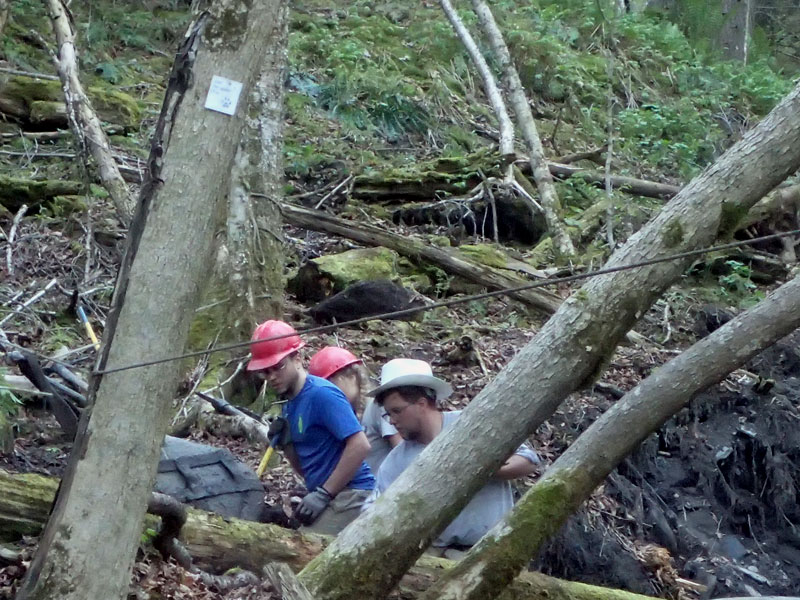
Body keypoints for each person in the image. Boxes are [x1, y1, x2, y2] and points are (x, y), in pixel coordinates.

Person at [365, 358, 539, 557]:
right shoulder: (394, 462)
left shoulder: (471, 425)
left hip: (497, 549)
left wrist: (485, 469)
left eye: (396, 411)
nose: (392, 421)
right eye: (388, 414)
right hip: (437, 556)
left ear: (421, 404)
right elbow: (375, 512)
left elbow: (528, 460)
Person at [247, 320, 374, 534]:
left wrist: (324, 493)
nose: (272, 377)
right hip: (329, 494)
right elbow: (307, 467)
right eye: (265, 372)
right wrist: (286, 445)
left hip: (353, 494)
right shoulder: (290, 405)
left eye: (278, 367)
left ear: (297, 358)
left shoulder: (321, 394)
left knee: (306, 551)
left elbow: (360, 445)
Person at [309, 346, 402, 473]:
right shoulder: (342, 418)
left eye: (331, 385)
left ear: (352, 376)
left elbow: (402, 449)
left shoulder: (377, 406)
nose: (328, 394)